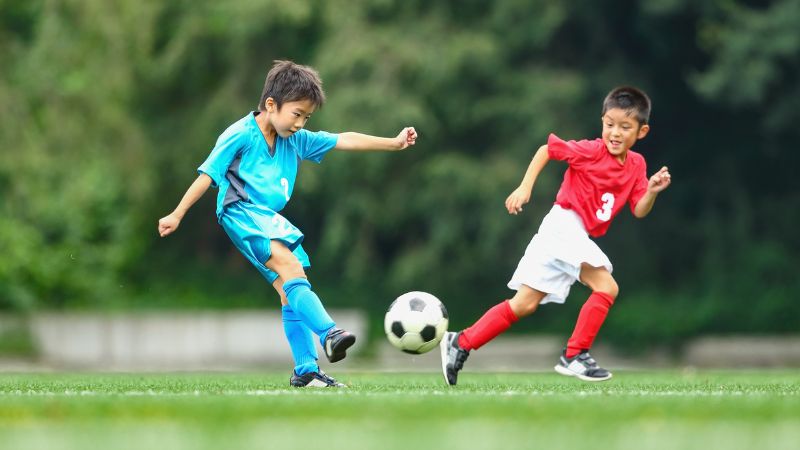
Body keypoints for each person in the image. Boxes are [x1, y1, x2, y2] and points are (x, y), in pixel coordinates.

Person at [158, 60, 417, 388]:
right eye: (297, 114)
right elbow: (207, 174)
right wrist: (177, 213)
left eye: (307, 117)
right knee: (291, 266)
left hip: (266, 219)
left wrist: (393, 143)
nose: (300, 123)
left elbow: (344, 140)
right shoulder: (239, 134)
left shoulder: (294, 139)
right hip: (240, 211)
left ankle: (306, 370)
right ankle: (329, 333)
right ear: (271, 104)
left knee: (289, 287)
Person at [440, 86, 671, 385]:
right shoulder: (592, 151)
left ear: (642, 131)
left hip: (565, 233)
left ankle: (460, 342)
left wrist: (651, 191)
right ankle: (575, 355)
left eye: (625, 127)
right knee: (607, 286)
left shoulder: (637, 164)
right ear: (602, 122)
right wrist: (525, 187)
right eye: (609, 124)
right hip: (564, 225)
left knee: (524, 304)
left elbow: (639, 209)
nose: (615, 133)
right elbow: (547, 150)